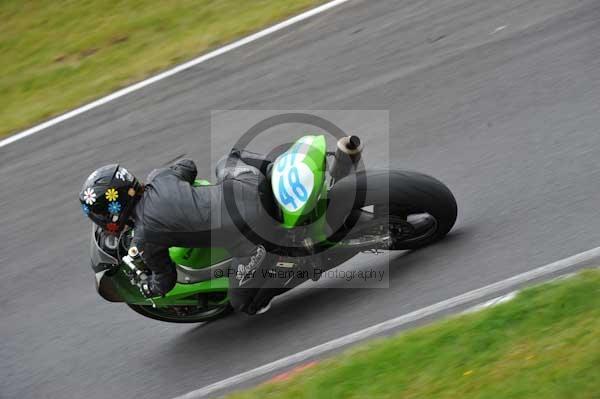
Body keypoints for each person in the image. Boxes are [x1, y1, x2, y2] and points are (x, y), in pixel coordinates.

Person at [78, 150, 284, 315]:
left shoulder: (145, 238)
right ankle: (276, 171)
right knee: (228, 159)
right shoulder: (159, 178)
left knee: (242, 302)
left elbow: (165, 280)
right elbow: (188, 166)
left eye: (100, 214)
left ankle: (289, 268)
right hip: (251, 185)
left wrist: (147, 287)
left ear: (112, 212)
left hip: (253, 234)